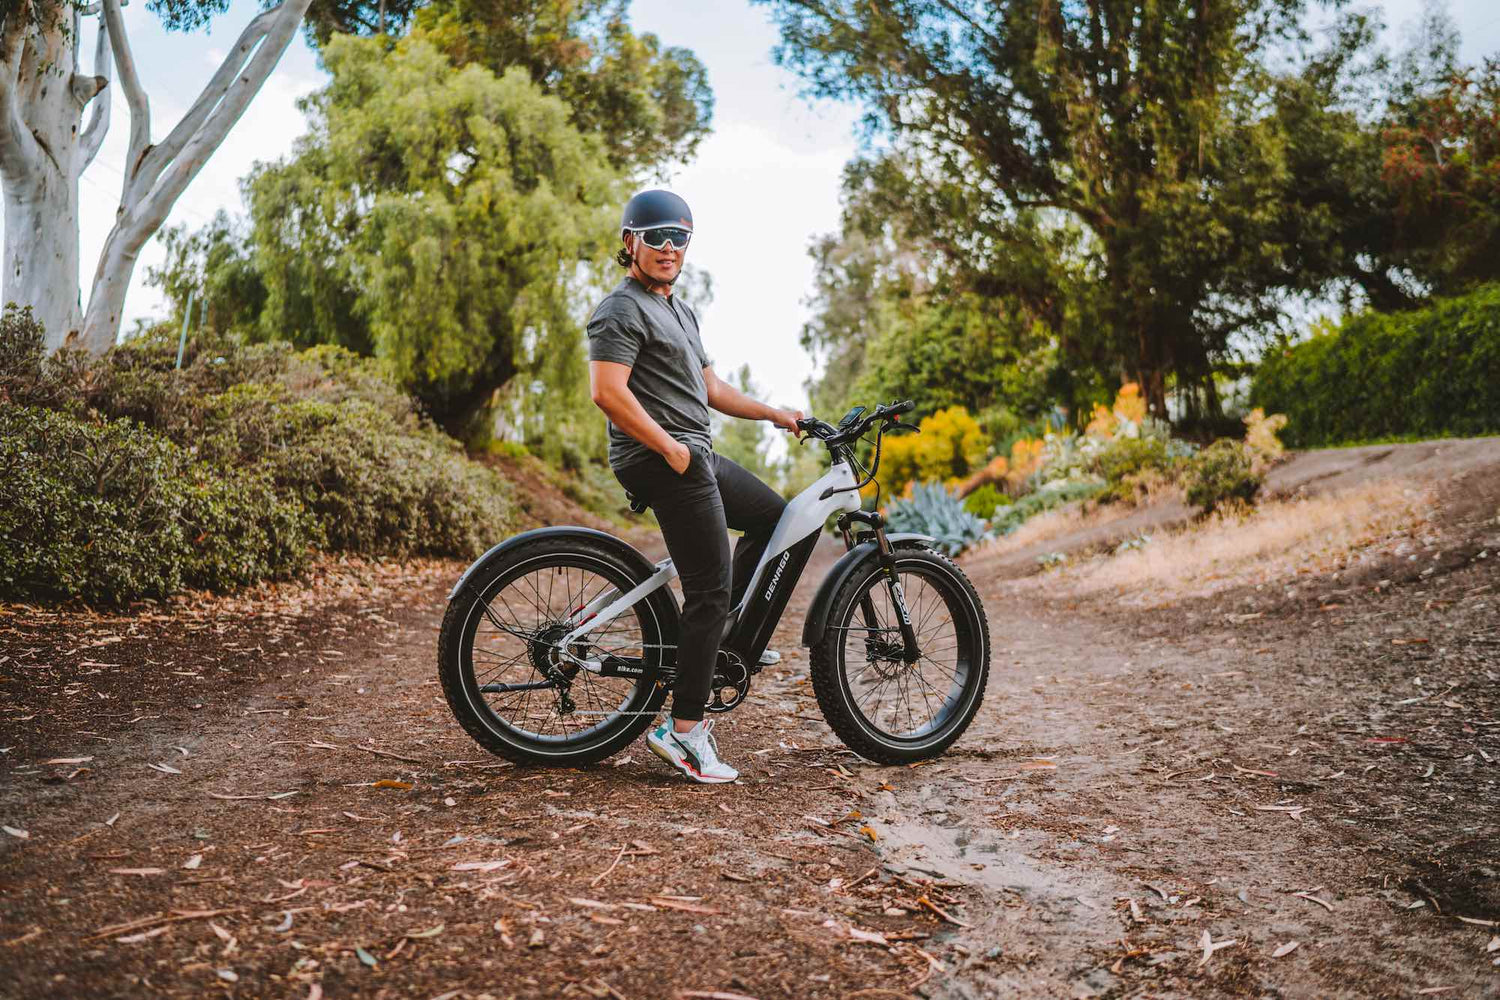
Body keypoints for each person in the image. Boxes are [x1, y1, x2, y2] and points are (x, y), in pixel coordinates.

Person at [586, 190, 802, 784]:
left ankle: (717, 645)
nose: (668, 248)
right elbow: (608, 392)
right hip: (662, 458)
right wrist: (669, 446)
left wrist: (774, 413)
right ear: (629, 242)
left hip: (692, 454)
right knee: (709, 588)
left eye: (679, 238)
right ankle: (682, 732)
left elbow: (712, 389)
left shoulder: (679, 310)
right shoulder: (620, 309)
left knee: (775, 519)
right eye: (655, 237)